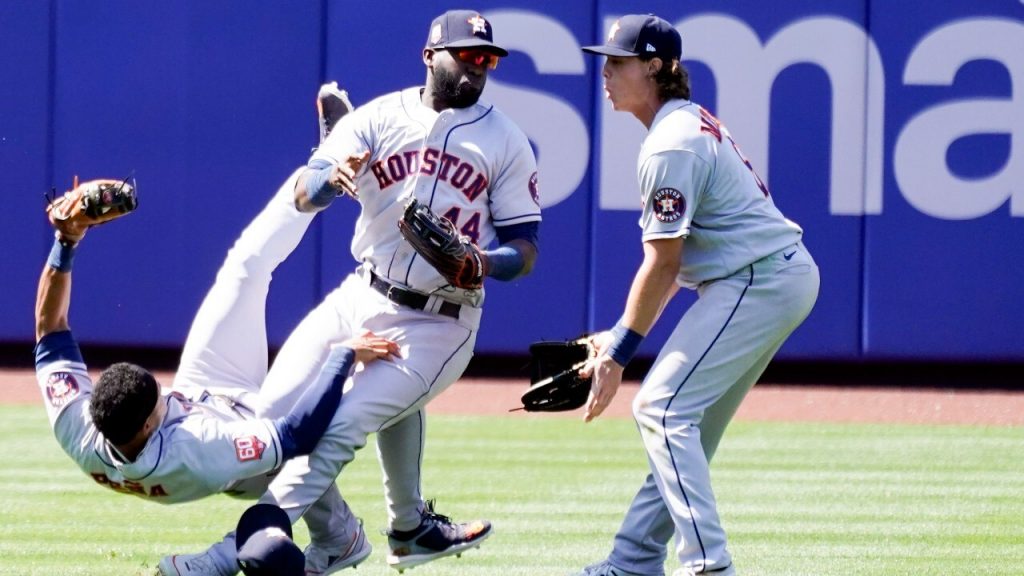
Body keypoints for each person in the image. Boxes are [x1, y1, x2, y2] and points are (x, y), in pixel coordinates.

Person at [176, 8, 543, 575]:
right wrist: (325, 178)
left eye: (488, 59)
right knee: (268, 429)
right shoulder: (376, 118)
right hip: (361, 295)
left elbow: (525, 250)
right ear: (430, 56)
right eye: (466, 54)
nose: (478, 67)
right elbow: (306, 188)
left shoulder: (507, 141)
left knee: (340, 424)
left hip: (439, 321)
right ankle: (371, 534)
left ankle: (230, 555)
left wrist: (483, 262)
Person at [32, 169, 399, 575]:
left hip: (207, 391)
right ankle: (334, 537)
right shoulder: (196, 448)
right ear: (149, 426)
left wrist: (66, 241)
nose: (163, 391)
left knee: (245, 266)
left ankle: (320, 178)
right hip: (241, 455)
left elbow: (50, 330)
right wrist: (344, 357)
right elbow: (297, 434)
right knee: (320, 413)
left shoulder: (78, 428)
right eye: (159, 399)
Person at [576, 14, 820, 576]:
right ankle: (634, 558)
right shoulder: (681, 125)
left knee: (660, 409)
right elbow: (670, 266)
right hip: (767, 277)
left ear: (656, 66)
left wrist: (618, 353)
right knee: (690, 422)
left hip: (759, 279)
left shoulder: (671, 144)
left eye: (619, 62)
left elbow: (663, 263)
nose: (606, 73)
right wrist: (618, 337)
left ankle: (709, 566)